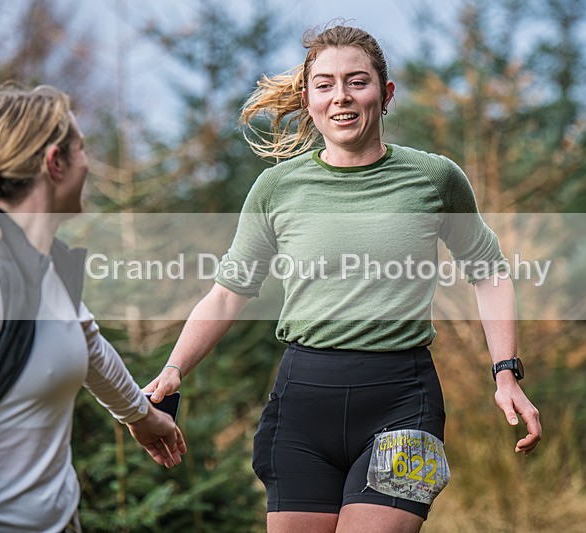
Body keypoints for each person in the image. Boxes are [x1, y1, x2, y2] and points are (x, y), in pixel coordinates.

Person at [146, 24, 541, 532]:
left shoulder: (435, 178)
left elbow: (489, 272)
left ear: (386, 93)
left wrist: (505, 371)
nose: (342, 98)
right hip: (301, 409)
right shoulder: (277, 188)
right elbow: (228, 293)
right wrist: (176, 367)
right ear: (308, 97)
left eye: (358, 82)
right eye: (326, 84)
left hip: (405, 403)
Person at [0, 83, 187, 532]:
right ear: (54, 163)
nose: (89, 163)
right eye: (82, 149)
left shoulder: (47, 266)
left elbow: (90, 347)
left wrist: (142, 417)